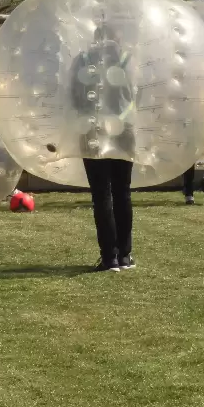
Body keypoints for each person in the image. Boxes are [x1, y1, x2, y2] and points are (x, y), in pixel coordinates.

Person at [70, 25, 136, 273]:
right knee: (122, 191)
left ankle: (110, 258)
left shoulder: (83, 60)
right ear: (117, 39)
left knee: (102, 195)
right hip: (125, 130)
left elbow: (73, 95)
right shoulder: (128, 60)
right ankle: (125, 256)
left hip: (92, 130)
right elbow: (138, 94)